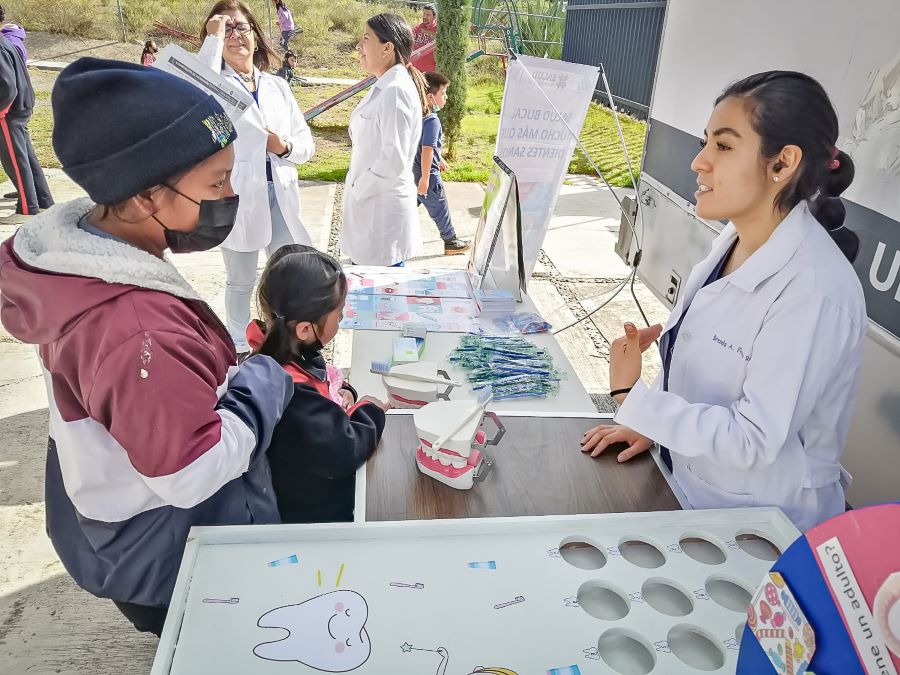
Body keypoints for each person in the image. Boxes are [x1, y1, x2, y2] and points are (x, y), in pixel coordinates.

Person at [0, 58, 295, 637]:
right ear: (142, 198)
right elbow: (191, 471)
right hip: (168, 554)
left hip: (116, 529)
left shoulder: (86, 265)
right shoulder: (137, 329)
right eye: (215, 182)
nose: (231, 193)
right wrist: (263, 378)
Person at [580, 71, 867, 533]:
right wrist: (652, 423)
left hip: (762, 528)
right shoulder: (736, 237)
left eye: (724, 146)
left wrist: (630, 398)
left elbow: (753, 438)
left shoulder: (814, 290)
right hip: (693, 490)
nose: (699, 162)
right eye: (705, 142)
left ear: (783, 163)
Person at [197, 0, 315, 357]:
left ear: (256, 35)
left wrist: (282, 146)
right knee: (240, 279)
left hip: (279, 192)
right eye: (225, 29)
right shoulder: (215, 84)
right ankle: (236, 350)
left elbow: (306, 145)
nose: (235, 36)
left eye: (241, 28)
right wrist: (212, 39)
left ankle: (285, 347)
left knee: (285, 277)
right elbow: (196, 84)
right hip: (237, 195)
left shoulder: (277, 87)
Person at [247, 244, 386, 523]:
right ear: (305, 329)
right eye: (339, 313)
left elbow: (325, 382)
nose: (343, 318)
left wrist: (343, 392)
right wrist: (370, 411)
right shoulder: (294, 395)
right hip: (312, 515)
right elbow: (344, 449)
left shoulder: (282, 348)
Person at [341, 13, 427, 267]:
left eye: (366, 39)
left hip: (381, 218)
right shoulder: (385, 85)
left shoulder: (395, 91)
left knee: (381, 301)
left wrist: (359, 189)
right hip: (372, 215)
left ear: (387, 47)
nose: (359, 46)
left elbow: (393, 159)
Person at [415, 71, 470, 255]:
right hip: (428, 177)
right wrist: (425, 178)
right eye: (443, 94)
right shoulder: (432, 121)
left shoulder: (419, 117)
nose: (446, 97)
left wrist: (440, 159)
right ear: (431, 97)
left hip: (413, 174)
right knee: (440, 207)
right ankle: (451, 241)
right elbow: (427, 149)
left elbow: (423, 146)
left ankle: (386, 234)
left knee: (406, 207)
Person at [0, 32, 53, 216]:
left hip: (8, 113)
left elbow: (7, 87)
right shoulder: (6, 41)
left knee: (15, 162)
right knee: (27, 158)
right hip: (20, 108)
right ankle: (44, 201)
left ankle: (27, 209)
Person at [411, 4, 437, 73]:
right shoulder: (419, 27)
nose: (425, 16)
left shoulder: (438, 30)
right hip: (415, 69)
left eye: (428, 15)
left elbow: (442, 40)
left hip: (429, 72)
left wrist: (430, 33)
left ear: (434, 17)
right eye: (424, 13)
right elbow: (408, 35)